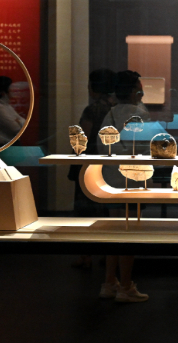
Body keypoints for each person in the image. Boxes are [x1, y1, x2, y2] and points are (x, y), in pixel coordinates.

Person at [97, 70, 150, 303]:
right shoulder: (140, 113)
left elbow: (102, 145)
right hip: (133, 177)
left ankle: (109, 282)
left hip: (111, 178)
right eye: (139, 87)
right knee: (130, 232)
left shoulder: (110, 113)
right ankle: (126, 286)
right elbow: (143, 145)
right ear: (133, 91)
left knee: (114, 231)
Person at [69, 69, 116, 270]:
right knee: (106, 212)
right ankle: (108, 254)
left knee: (84, 211)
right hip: (109, 166)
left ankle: (86, 255)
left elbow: (83, 138)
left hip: (88, 166)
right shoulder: (115, 108)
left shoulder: (92, 110)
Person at [0, 76, 25, 150]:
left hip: (9, 147)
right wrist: (19, 121)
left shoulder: (5, 106)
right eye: (11, 88)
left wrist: (19, 121)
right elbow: (16, 128)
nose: (13, 90)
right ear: (3, 92)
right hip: (4, 149)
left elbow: (24, 124)